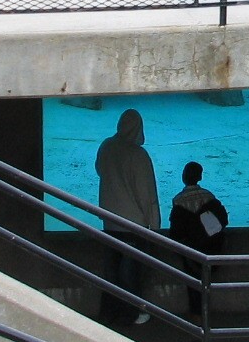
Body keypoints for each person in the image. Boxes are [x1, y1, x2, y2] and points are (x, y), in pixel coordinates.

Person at [94, 108, 161, 326]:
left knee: (111, 272)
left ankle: (109, 314)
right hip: (133, 225)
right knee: (130, 273)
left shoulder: (106, 146)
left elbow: (99, 170)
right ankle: (130, 314)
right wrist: (155, 226)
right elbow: (147, 194)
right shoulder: (138, 155)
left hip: (110, 221)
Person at [169, 161, 229, 318]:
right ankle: (206, 309)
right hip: (211, 246)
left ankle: (197, 311)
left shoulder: (178, 200)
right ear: (200, 177)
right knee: (207, 279)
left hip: (190, 248)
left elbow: (175, 231)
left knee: (192, 280)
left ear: (183, 177)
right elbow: (223, 220)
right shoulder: (209, 196)